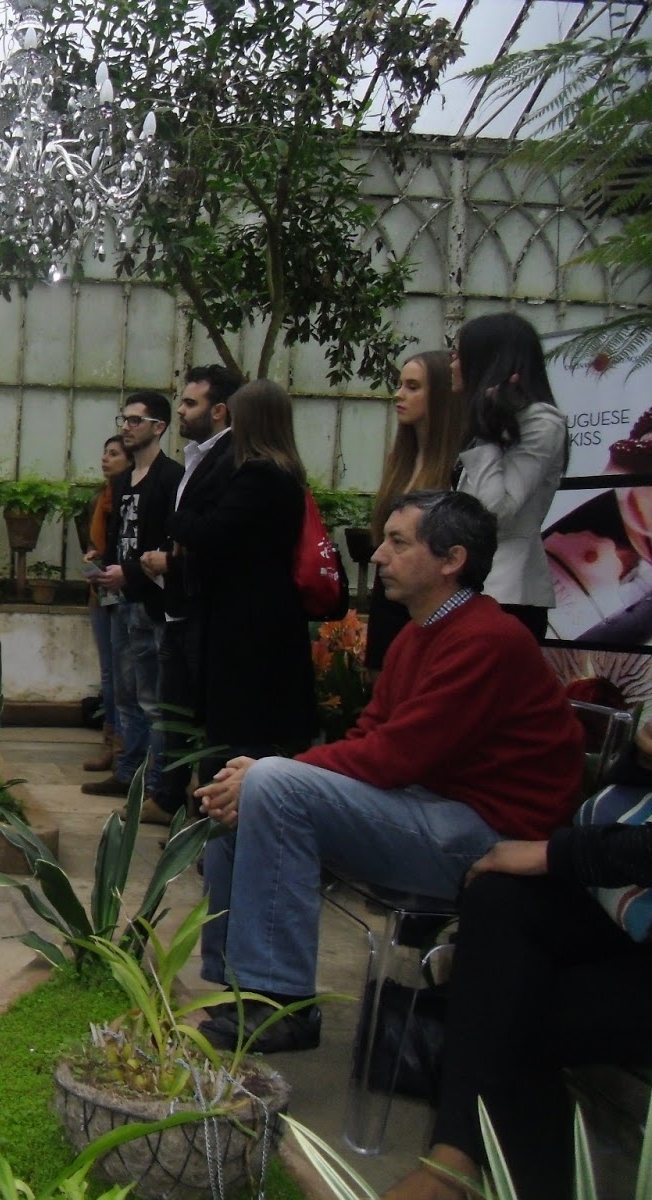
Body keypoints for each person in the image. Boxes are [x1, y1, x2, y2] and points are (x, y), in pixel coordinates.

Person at [193, 490, 583, 1053]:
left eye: (398, 543)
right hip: (430, 807)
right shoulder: (421, 633)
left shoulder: (487, 640)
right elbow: (371, 740)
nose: (378, 555)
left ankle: (281, 1005)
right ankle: (241, 987)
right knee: (243, 804)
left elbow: (396, 756)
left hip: (494, 838)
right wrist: (260, 781)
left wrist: (275, 773)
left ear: (451, 560)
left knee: (270, 784)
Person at [383, 753, 652, 1200]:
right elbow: (622, 790)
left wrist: (553, 853)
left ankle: (461, 1174)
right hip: (630, 915)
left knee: (513, 1006)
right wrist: (643, 755)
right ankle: (456, 1156)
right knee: (501, 899)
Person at [168, 379, 316, 771]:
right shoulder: (284, 473)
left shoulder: (259, 476)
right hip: (260, 612)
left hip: (248, 620)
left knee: (239, 726)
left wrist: (179, 519)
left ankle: (231, 799)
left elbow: (213, 532)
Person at [141, 364, 242, 820]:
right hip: (178, 603)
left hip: (203, 606)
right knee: (174, 709)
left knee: (201, 715)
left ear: (219, 410)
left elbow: (216, 536)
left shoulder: (230, 460)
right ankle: (169, 796)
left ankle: (203, 808)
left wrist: (175, 559)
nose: (180, 410)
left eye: (189, 402)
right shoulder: (199, 456)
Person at [84, 392, 183, 801]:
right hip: (120, 597)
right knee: (124, 691)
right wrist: (108, 572)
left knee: (152, 698)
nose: (127, 426)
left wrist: (130, 573)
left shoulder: (171, 478)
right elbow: (118, 539)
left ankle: (156, 783)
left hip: (151, 601)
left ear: (159, 427)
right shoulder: (124, 481)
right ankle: (127, 771)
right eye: (124, 419)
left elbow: (170, 544)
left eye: (135, 420)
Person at [453, 311, 568, 642]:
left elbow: (495, 512)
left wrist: (486, 431)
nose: (453, 364)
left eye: (459, 354)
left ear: (487, 360)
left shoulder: (542, 422)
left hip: (508, 593)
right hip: (470, 586)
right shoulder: (493, 420)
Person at [366, 349, 465, 670]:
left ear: (440, 396)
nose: (399, 394)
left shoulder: (460, 466)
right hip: (389, 600)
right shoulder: (400, 461)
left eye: (412, 387)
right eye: (400, 385)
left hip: (432, 607)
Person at [82, 434, 133, 773]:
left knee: (126, 673)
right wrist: (93, 555)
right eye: (104, 453)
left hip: (126, 590)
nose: (106, 459)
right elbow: (95, 541)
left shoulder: (131, 498)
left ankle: (125, 747)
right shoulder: (99, 499)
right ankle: (110, 742)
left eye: (114, 454)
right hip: (101, 591)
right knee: (109, 672)